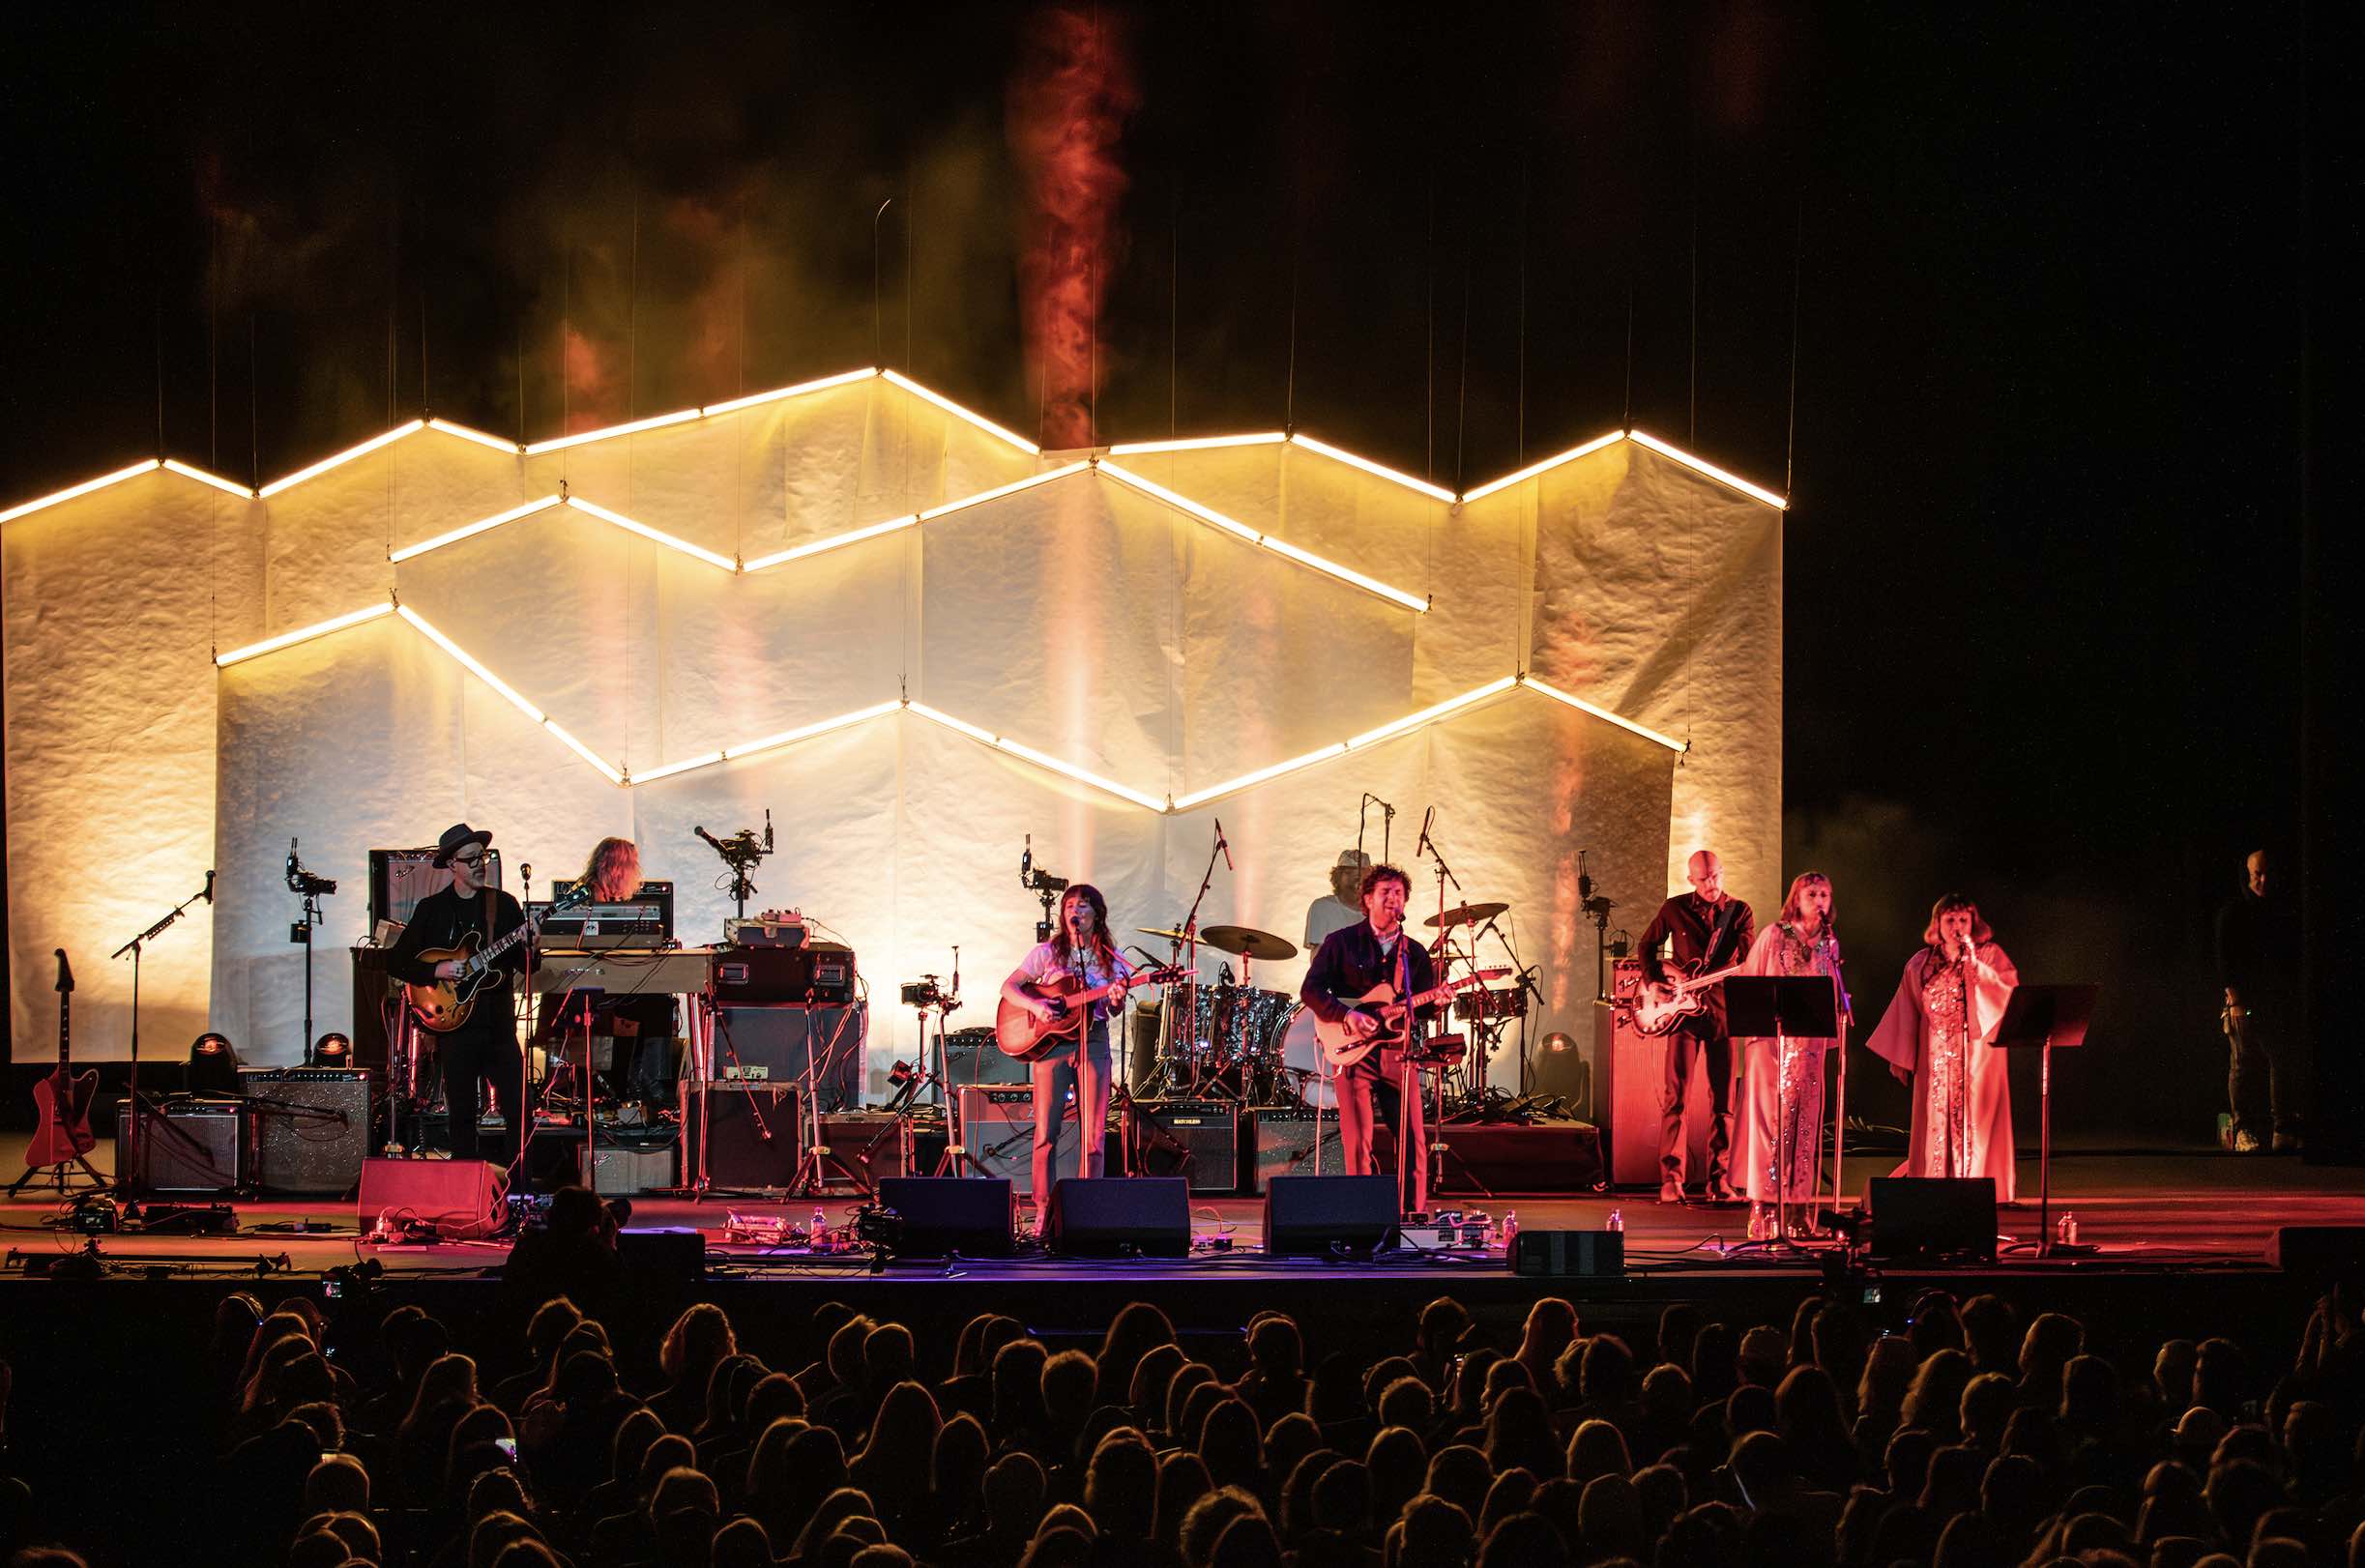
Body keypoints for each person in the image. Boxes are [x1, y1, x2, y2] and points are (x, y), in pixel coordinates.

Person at [386, 822, 531, 1163]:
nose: (480, 865)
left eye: (481, 857)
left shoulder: (504, 905)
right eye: (471, 860)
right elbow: (396, 962)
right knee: (462, 1116)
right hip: (456, 1030)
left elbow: (527, 967)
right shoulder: (432, 909)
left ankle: (516, 1186)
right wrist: (438, 970)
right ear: (452, 865)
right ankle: (468, 1189)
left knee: (519, 1111)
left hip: (499, 1027)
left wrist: (531, 947)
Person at [1299, 863, 1440, 1214]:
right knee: (1358, 1141)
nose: (1394, 899)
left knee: (1413, 1139)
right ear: (1367, 899)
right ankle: (1360, 1216)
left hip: (1398, 1054)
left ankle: (1412, 1214)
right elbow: (1310, 990)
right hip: (1353, 1052)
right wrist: (1346, 1014)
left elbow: (1418, 1009)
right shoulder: (1341, 943)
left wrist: (1435, 1002)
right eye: (1386, 892)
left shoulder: (1414, 953)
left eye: (1399, 894)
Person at [1864, 893, 2019, 1200]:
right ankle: (1935, 1185)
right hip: (1934, 1052)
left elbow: (2005, 995)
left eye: (1963, 920)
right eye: (1950, 920)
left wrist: (1973, 964)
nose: (1957, 926)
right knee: (1936, 1119)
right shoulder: (1921, 962)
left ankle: (1975, 1187)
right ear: (1938, 923)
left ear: (1973, 923)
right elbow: (1906, 1008)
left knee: (1974, 1119)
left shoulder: (1989, 956)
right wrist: (1901, 1055)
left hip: (1976, 1056)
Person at [1736, 873, 1851, 1239]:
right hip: (1772, 1048)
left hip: (1809, 1051)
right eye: (1812, 893)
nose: (1820, 900)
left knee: (1804, 1130)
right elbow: (1751, 984)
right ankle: (1762, 1208)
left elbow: (1832, 997)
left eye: (1825, 894)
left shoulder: (1828, 944)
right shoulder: (1774, 935)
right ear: (1796, 898)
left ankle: (1799, 1210)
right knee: (1770, 1128)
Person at [1002, 885, 1134, 1204]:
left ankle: (1088, 1209)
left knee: (1094, 1134)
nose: (1076, 911)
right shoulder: (1047, 953)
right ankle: (1044, 1208)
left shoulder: (1112, 961)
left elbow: (1113, 1009)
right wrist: (1037, 1007)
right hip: (1052, 1046)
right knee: (1046, 1131)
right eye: (1070, 906)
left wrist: (1115, 1000)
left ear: (1097, 914)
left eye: (1084, 906)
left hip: (1094, 1041)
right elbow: (1009, 988)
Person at [1637, 850, 1756, 1204]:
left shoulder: (1740, 912)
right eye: (1704, 878)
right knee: (1676, 1098)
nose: (1712, 884)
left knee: (1724, 1102)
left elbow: (1749, 960)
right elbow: (1647, 945)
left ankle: (1720, 1181)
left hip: (1721, 1013)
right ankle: (1671, 1179)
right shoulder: (1674, 909)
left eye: (1716, 876)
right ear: (1691, 879)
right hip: (1682, 1016)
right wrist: (1654, 980)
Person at [2215, 849, 2299, 1152]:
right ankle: (2243, 1130)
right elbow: (2224, 961)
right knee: (2242, 1064)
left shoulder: (2281, 913)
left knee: (2281, 1060)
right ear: (2247, 875)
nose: (2263, 880)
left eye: (2267, 874)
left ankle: (2283, 1129)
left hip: (2273, 1001)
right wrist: (2235, 1001)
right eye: (2257, 874)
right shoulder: (2233, 912)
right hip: (2243, 1002)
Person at [1303, 850, 1373, 951]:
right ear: (1338, 877)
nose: (1357, 878)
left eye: (1362, 874)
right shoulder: (1323, 907)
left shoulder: (1377, 913)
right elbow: (1318, 957)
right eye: (1349, 873)